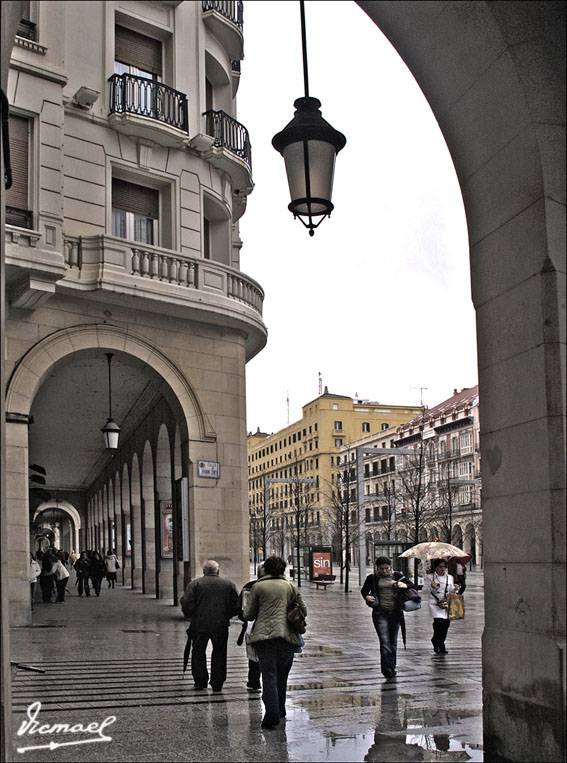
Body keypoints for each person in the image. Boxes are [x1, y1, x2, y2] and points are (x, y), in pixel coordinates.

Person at [243, 555, 307, 731]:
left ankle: (271, 714)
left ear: (267, 569)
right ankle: (281, 709)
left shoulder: (258, 586)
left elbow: (248, 614)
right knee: (282, 675)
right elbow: (304, 611)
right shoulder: (290, 586)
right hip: (286, 637)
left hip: (264, 638)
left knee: (269, 674)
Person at [180, 560, 239, 693]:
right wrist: (226, 615)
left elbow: (186, 603)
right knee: (219, 652)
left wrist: (191, 615)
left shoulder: (195, 584)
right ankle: (217, 682)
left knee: (198, 652)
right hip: (221, 625)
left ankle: (200, 681)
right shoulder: (228, 585)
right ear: (217, 571)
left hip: (199, 624)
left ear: (204, 571)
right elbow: (236, 605)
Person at [361, 556, 418, 678]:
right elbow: (364, 590)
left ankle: (392, 667)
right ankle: (387, 668)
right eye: (381, 569)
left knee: (393, 642)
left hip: (396, 613)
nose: (384, 571)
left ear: (391, 567)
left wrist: (404, 585)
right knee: (384, 641)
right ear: (377, 568)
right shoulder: (372, 578)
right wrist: (366, 596)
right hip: (380, 613)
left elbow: (413, 586)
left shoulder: (397, 576)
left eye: (387, 568)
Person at [237, 563, 264, 693]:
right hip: (275, 628)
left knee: (253, 656)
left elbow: (241, 611)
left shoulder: (249, 586)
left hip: (252, 626)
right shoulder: (285, 585)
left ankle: (254, 681)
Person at [423, 558, 458, 654]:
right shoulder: (430, 577)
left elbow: (451, 590)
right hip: (435, 603)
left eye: (444, 567)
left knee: (446, 624)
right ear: (435, 568)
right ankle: (438, 643)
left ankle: (440, 641)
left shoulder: (449, 577)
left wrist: (455, 588)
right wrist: (432, 587)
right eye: (440, 567)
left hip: (446, 603)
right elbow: (424, 591)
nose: (442, 569)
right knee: (439, 623)